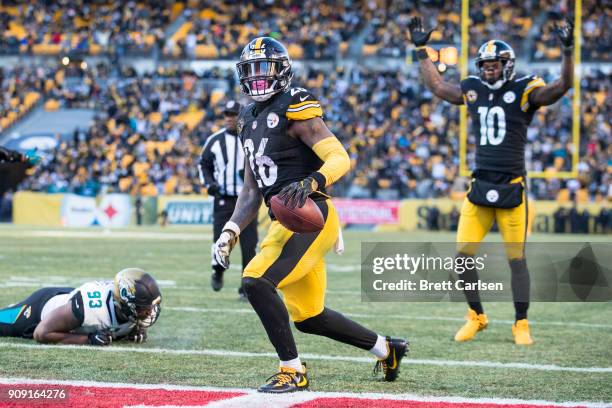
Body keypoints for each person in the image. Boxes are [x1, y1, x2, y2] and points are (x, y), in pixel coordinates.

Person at [213, 37, 408, 393]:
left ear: (282, 71)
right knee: (309, 316)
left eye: (264, 70)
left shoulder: (295, 106)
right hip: (286, 222)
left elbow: (340, 157)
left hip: (311, 216)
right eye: (251, 71)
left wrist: (313, 181)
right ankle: (387, 348)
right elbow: (251, 191)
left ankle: (292, 370)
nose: (257, 78)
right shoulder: (245, 119)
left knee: (256, 280)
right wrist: (230, 230)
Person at [409, 16, 574, 345]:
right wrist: (420, 49)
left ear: (508, 65)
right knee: (462, 256)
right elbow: (439, 87)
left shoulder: (524, 90)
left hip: (513, 187)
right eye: (484, 64)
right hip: (480, 187)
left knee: (517, 261)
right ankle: (477, 316)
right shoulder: (473, 88)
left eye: (495, 64)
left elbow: (561, 87)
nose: (488, 69)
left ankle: (521, 323)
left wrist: (568, 51)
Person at [0, 268, 161, 346]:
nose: (149, 312)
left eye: (151, 306)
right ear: (125, 304)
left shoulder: (126, 309)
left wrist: (131, 333)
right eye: (143, 308)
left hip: (69, 298)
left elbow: (114, 326)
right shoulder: (92, 309)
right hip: (41, 309)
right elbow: (41, 333)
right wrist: (87, 340)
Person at [198, 100, 258, 298]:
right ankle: (218, 271)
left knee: (250, 245)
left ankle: (246, 288)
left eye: (233, 114)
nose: (228, 118)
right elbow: (203, 164)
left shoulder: (252, 138)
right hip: (223, 199)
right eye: (226, 115)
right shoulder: (215, 140)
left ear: (241, 116)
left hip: (247, 201)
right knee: (220, 242)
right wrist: (210, 184)